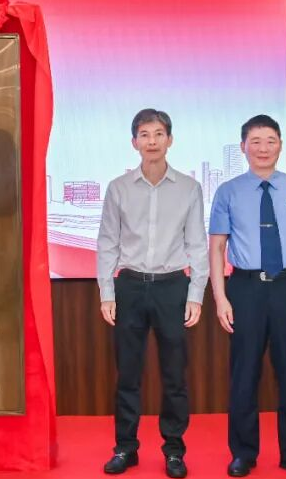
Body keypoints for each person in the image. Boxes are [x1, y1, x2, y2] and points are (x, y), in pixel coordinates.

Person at [208, 115, 286, 479]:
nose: (263, 148)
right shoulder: (228, 192)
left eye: (271, 141)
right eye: (256, 141)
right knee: (244, 373)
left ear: (281, 145)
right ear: (243, 146)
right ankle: (243, 453)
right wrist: (220, 298)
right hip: (245, 289)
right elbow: (217, 248)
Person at [96, 109, 209, 478]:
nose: (152, 141)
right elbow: (107, 243)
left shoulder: (189, 188)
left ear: (170, 140)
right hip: (129, 286)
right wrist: (107, 292)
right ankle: (125, 448)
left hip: (172, 286)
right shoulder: (118, 188)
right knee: (128, 374)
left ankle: (174, 450)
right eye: (144, 134)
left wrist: (195, 295)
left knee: (174, 376)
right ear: (134, 143)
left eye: (159, 134)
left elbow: (197, 245)